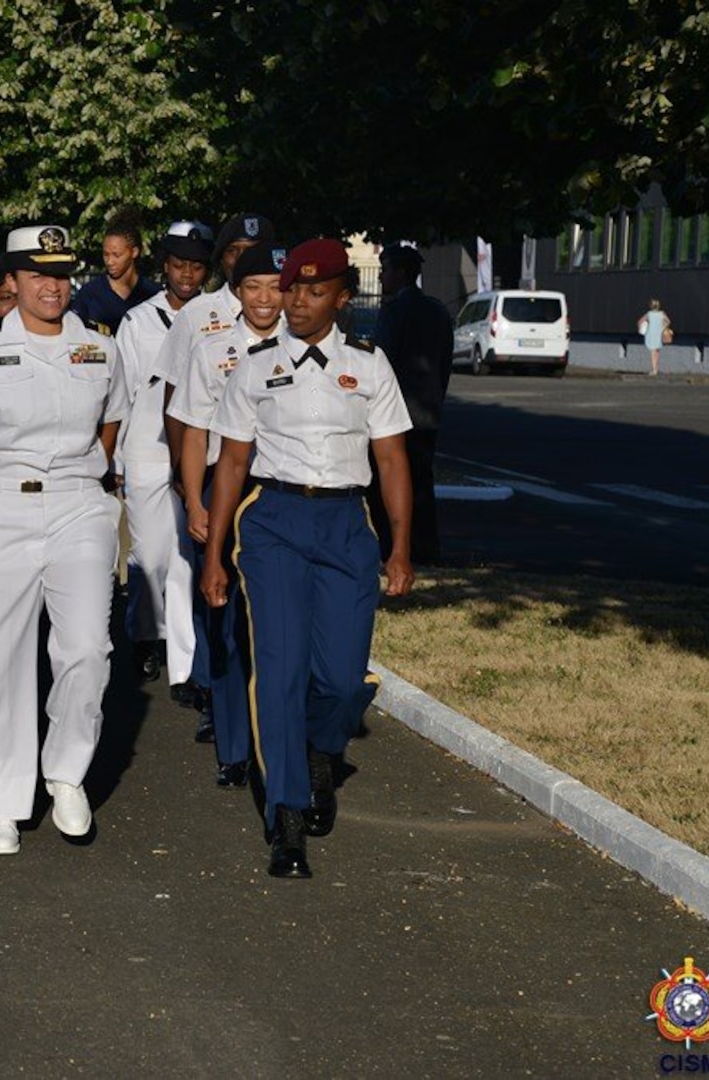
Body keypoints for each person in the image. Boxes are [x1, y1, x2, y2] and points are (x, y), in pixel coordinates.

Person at [200, 238, 414, 879]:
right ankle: (286, 819)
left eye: (313, 291)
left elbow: (392, 459)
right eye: (292, 288)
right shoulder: (255, 364)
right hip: (274, 523)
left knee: (344, 680)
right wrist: (214, 555)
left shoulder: (371, 366)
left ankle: (322, 746)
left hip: (347, 523)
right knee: (281, 667)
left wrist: (402, 546)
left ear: (343, 298)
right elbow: (233, 461)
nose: (296, 301)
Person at [0, 225, 128, 856]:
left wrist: (85, 483)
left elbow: (111, 423)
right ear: (12, 283)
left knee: (88, 648)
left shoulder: (100, 348)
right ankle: (2, 797)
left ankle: (66, 772)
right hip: (1, 506)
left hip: (79, 504)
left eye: (60, 273)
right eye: (36, 274)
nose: (52, 286)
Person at [170, 241, 286, 780]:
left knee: (274, 623)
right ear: (238, 294)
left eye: (276, 287)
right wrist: (195, 500)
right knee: (225, 622)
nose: (266, 299)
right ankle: (235, 747)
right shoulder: (213, 349)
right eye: (254, 287)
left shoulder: (303, 347)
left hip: (281, 489)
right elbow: (194, 432)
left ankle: (280, 737)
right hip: (224, 488)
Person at [154, 212, 275, 711]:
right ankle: (212, 690)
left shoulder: (288, 315)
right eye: (235, 251)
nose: (246, 259)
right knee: (215, 588)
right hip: (213, 470)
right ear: (222, 260)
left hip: (273, 474)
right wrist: (185, 482)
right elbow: (177, 403)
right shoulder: (198, 315)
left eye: (257, 249)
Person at [112, 222, 211, 692]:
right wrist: (115, 465)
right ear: (164, 267)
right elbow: (122, 393)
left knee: (185, 558)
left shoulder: (219, 317)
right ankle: (146, 634)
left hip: (200, 454)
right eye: (178, 265)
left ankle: (186, 664)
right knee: (149, 557)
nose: (187, 275)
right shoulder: (138, 321)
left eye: (195, 266)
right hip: (147, 451)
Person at [368, 245, 453, 565]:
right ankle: (426, 550)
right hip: (427, 412)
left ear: (401, 273)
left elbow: (379, 361)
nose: (380, 277)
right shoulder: (438, 310)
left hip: (393, 414)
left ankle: (390, 548)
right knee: (421, 486)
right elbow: (445, 362)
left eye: (385, 269)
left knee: (385, 486)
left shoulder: (393, 312)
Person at [70, 211, 160, 329]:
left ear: (134, 252)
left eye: (116, 255)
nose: (109, 262)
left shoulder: (153, 295)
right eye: (106, 255)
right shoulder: (89, 295)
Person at [639, 298, 670, 377]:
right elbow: (668, 321)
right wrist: (663, 327)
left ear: (651, 306)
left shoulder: (649, 314)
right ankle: (656, 369)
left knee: (653, 353)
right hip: (659, 333)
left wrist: (642, 328)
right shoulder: (662, 313)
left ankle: (654, 370)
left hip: (651, 334)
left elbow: (641, 321)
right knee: (657, 352)